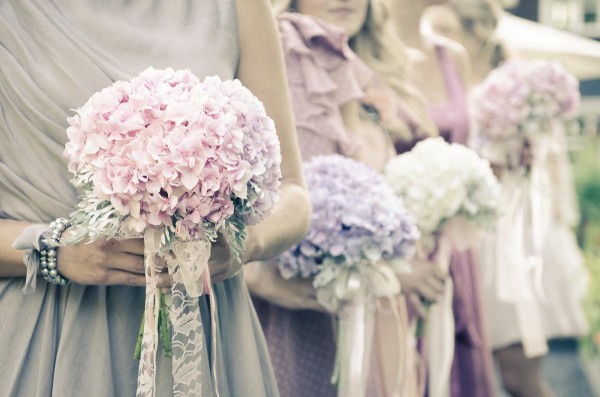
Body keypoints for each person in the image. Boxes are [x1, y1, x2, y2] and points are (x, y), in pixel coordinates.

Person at [0, 1, 311, 396]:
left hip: (203, 330)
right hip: (52, 332)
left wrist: (242, 245)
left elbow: (294, 194)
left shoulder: (240, 7)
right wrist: (55, 250)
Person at [246, 1, 446, 396]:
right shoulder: (294, 46)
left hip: (368, 311)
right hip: (303, 311)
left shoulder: (357, 67)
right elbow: (294, 197)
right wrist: (390, 274)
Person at [425, 2, 589, 396]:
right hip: (464, 241)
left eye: (446, 28)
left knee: (519, 378)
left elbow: (535, 164)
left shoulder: (508, 88)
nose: (437, 38)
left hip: (505, 243)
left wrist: (522, 155)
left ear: (474, 31)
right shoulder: (442, 80)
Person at [388, 1, 497, 396]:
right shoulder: (370, 55)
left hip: (455, 246)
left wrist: (501, 163)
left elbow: (470, 149)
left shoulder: (453, 55)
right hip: (400, 249)